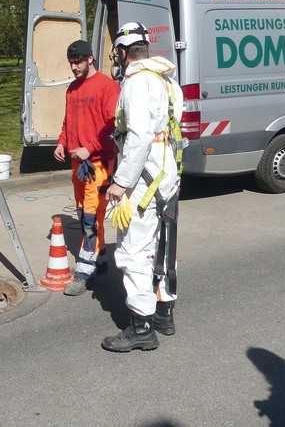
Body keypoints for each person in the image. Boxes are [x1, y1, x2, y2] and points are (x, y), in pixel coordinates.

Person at [101, 22, 184, 352]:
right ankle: (164, 312)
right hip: (168, 177)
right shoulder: (167, 80)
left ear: (122, 53)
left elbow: (137, 138)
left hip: (144, 180)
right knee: (165, 244)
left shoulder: (136, 83)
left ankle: (141, 327)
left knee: (134, 250)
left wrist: (120, 183)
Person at [54, 40, 121, 296]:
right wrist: (62, 142)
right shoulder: (72, 89)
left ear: (90, 59)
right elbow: (67, 121)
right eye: (71, 62)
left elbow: (112, 127)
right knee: (84, 213)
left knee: (91, 217)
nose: (74, 67)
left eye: (78, 61)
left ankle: (83, 273)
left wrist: (89, 148)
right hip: (76, 163)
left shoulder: (107, 86)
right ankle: (100, 258)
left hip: (97, 163)